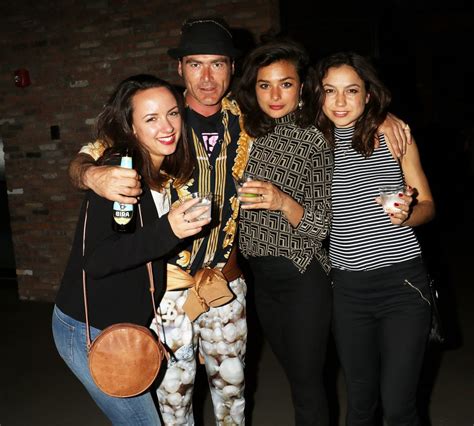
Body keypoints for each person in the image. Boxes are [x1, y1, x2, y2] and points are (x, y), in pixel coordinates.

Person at [67, 18, 250, 425]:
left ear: (233, 68)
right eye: (196, 64)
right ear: (180, 68)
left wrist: (380, 118)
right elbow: (88, 154)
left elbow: (305, 109)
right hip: (168, 292)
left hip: (225, 284)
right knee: (172, 402)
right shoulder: (157, 116)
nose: (207, 78)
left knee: (232, 395)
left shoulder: (247, 121)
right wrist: (91, 175)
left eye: (218, 64)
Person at [52, 74, 211, 425]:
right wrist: (168, 231)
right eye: (151, 118)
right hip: (89, 327)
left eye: (172, 113)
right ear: (130, 127)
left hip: (123, 323)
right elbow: (98, 260)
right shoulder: (121, 172)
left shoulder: (155, 169)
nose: (167, 127)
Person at [314, 51, 435, 425]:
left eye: (351, 90)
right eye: (329, 90)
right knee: (360, 404)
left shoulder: (396, 137)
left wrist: (408, 214)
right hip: (348, 292)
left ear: (368, 95)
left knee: (399, 406)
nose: (340, 101)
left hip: (403, 285)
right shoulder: (314, 145)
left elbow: (428, 204)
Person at [234, 39, 334, 426]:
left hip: (301, 275)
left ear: (302, 87)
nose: (275, 96)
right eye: (265, 85)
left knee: (308, 386)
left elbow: (322, 226)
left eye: (286, 84)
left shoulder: (315, 138)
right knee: (295, 376)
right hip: (260, 278)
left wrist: (281, 201)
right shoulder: (247, 132)